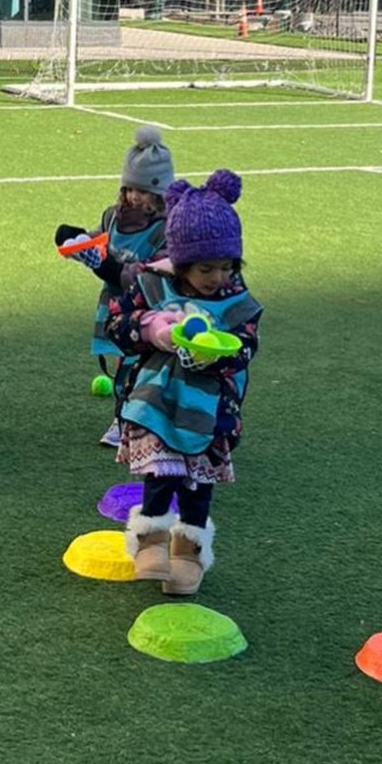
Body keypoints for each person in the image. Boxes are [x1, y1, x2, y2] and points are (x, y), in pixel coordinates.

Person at [106, 169, 261, 596]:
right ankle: (151, 541)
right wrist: (151, 329)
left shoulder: (236, 301)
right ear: (182, 261)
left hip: (212, 412)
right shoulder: (153, 286)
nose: (217, 277)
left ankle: (188, 552)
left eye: (227, 266)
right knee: (161, 474)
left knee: (199, 483)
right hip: (158, 402)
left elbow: (247, 346)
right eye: (206, 268)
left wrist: (220, 354)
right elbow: (117, 324)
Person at [55, 125, 174, 448]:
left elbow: (153, 273)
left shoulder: (166, 228)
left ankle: (134, 421)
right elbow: (99, 240)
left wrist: (109, 267)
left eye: (143, 191)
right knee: (123, 369)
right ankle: (122, 418)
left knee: (140, 369)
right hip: (115, 305)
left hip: (150, 312)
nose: (134, 197)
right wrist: (78, 243)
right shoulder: (114, 215)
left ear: (160, 193)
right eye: (130, 189)